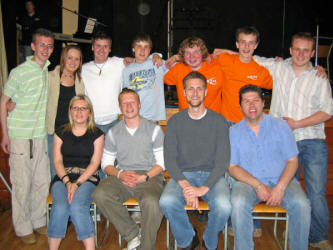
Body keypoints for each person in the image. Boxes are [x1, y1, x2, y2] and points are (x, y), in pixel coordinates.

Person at [253, 32, 333, 250]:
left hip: (312, 140)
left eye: (306, 50)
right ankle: (294, 227)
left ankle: (318, 237)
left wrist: (297, 124)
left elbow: (327, 112)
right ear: (290, 50)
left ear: (313, 53)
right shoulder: (279, 68)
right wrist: (219, 52)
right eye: (297, 48)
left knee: (315, 192)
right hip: (283, 144)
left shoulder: (319, 77)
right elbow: (248, 54)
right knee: (290, 190)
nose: (300, 54)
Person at [228, 84, 311, 250]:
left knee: (302, 205)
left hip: (282, 179)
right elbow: (232, 167)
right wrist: (257, 185)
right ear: (241, 106)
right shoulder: (233, 131)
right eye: (246, 101)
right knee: (237, 202)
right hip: (248, 182)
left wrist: (280, 187)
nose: (251, 105)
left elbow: (292, 161)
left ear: (263, 103)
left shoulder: (281, 127)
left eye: (255, 101)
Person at [159, 71, 231, 250]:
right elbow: (169, 158)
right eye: (190, 89)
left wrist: (201, 189)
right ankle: (188, 240)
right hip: (183, 176)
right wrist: (186, 186)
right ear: (183, 92)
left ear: (206, 92)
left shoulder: (219, 121)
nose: (195, 93)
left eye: (199, 88)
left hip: (212, 177)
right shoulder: (175, 121)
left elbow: (223, 160)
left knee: (224, 206)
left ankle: (209, 240)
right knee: (166, 201)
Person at [92, 88, 165, 250]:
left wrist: (144, 177)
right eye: (124, 103)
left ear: (139, 105)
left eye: (132, 102)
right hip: (122, 175)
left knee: (152, 203)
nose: (129, 106)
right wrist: (120, 173)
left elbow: (162, 163)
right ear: (120, 107)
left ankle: (146, 247)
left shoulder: (154, 130)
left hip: (149, 176)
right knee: (100, 194)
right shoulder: (113, 133)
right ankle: (133, 235)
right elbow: (106, 164)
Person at [0, 28, 54, 244]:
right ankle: (22, 227)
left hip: (39, 135)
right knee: (22, 183)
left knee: (42, 180)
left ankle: (38, 220)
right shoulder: (19, 72)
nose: (46, 49)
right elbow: (4, 102)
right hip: (20, 135)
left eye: (49, 46)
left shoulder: (47, 71)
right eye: (41, 45)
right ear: (32, 46)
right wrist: (5, 136)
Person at [47, 94, 104, 250]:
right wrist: (67, 182)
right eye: (75, 108)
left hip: (88, 178)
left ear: (89, 112)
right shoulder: (60, 132)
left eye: (83, 108)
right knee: (60, 207)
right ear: (70, 111)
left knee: (78, 207)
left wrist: (77, 183)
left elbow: (95, 163)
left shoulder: (97, 134)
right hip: (62, 178)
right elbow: (57, 161)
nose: (79, 112)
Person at [213, 26, 273, 125]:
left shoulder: (261, 70)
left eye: (251, 43)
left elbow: (281, 85)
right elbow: (199, 59)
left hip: (250, 123)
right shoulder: (225, 60)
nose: (246, 46)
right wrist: (178, 57)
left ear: (256, 45)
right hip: (227, 122)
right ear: (237, 44)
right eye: (243, 42)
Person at [46, 45, 85, 179]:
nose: (73, 62)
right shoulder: (50, 77)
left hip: (72, 134)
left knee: (70, 171)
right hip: (53, 133)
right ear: (63, 58)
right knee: (53, 172)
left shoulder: (80, 81)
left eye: (77, 59)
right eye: (70, 58)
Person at [164, 36, 227, 115]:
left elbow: (243, 59)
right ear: (182, 55)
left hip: (213, 122)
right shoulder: (178, 69)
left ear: (203, 53)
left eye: (196, 52)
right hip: (187, 121)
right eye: (187, 53)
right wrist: (157, 56)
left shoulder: (217, 68)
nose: (192, 56)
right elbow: (156, 74)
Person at [122, 33, 167, 121]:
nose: (142, 50)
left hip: (153, 118)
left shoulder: (157, 63)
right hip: (133, 117)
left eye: (146, 47)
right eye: (139, 46)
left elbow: (180, 64)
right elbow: (125, 95)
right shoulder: (126, 70)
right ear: (133, 49)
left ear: (150, 50)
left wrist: (157, 55)